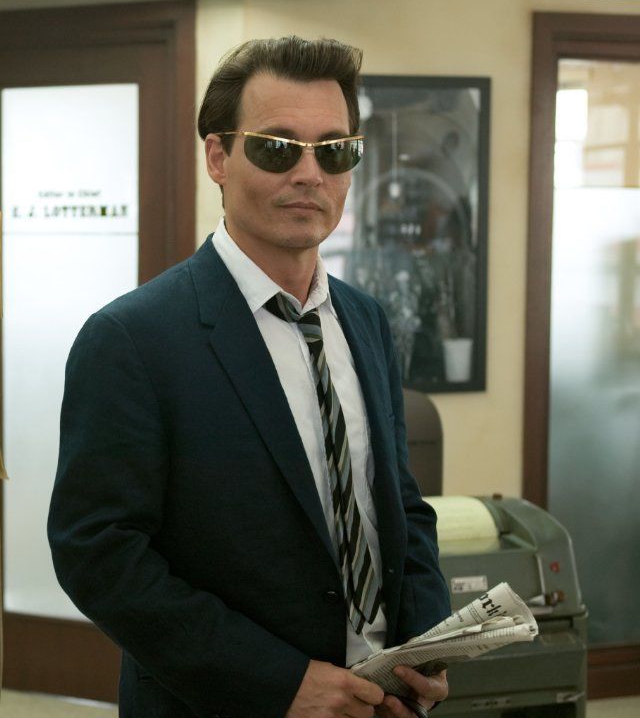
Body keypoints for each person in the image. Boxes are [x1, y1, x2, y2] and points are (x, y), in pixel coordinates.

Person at [48, 36, 451, 718]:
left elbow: (399, 506)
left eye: (334, 150)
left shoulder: (366, 321)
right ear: (218, 157)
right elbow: (100, 556)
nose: (310, 174)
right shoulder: (132, 339)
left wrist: (426, 642)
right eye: (277, 148)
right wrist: (282, 683)